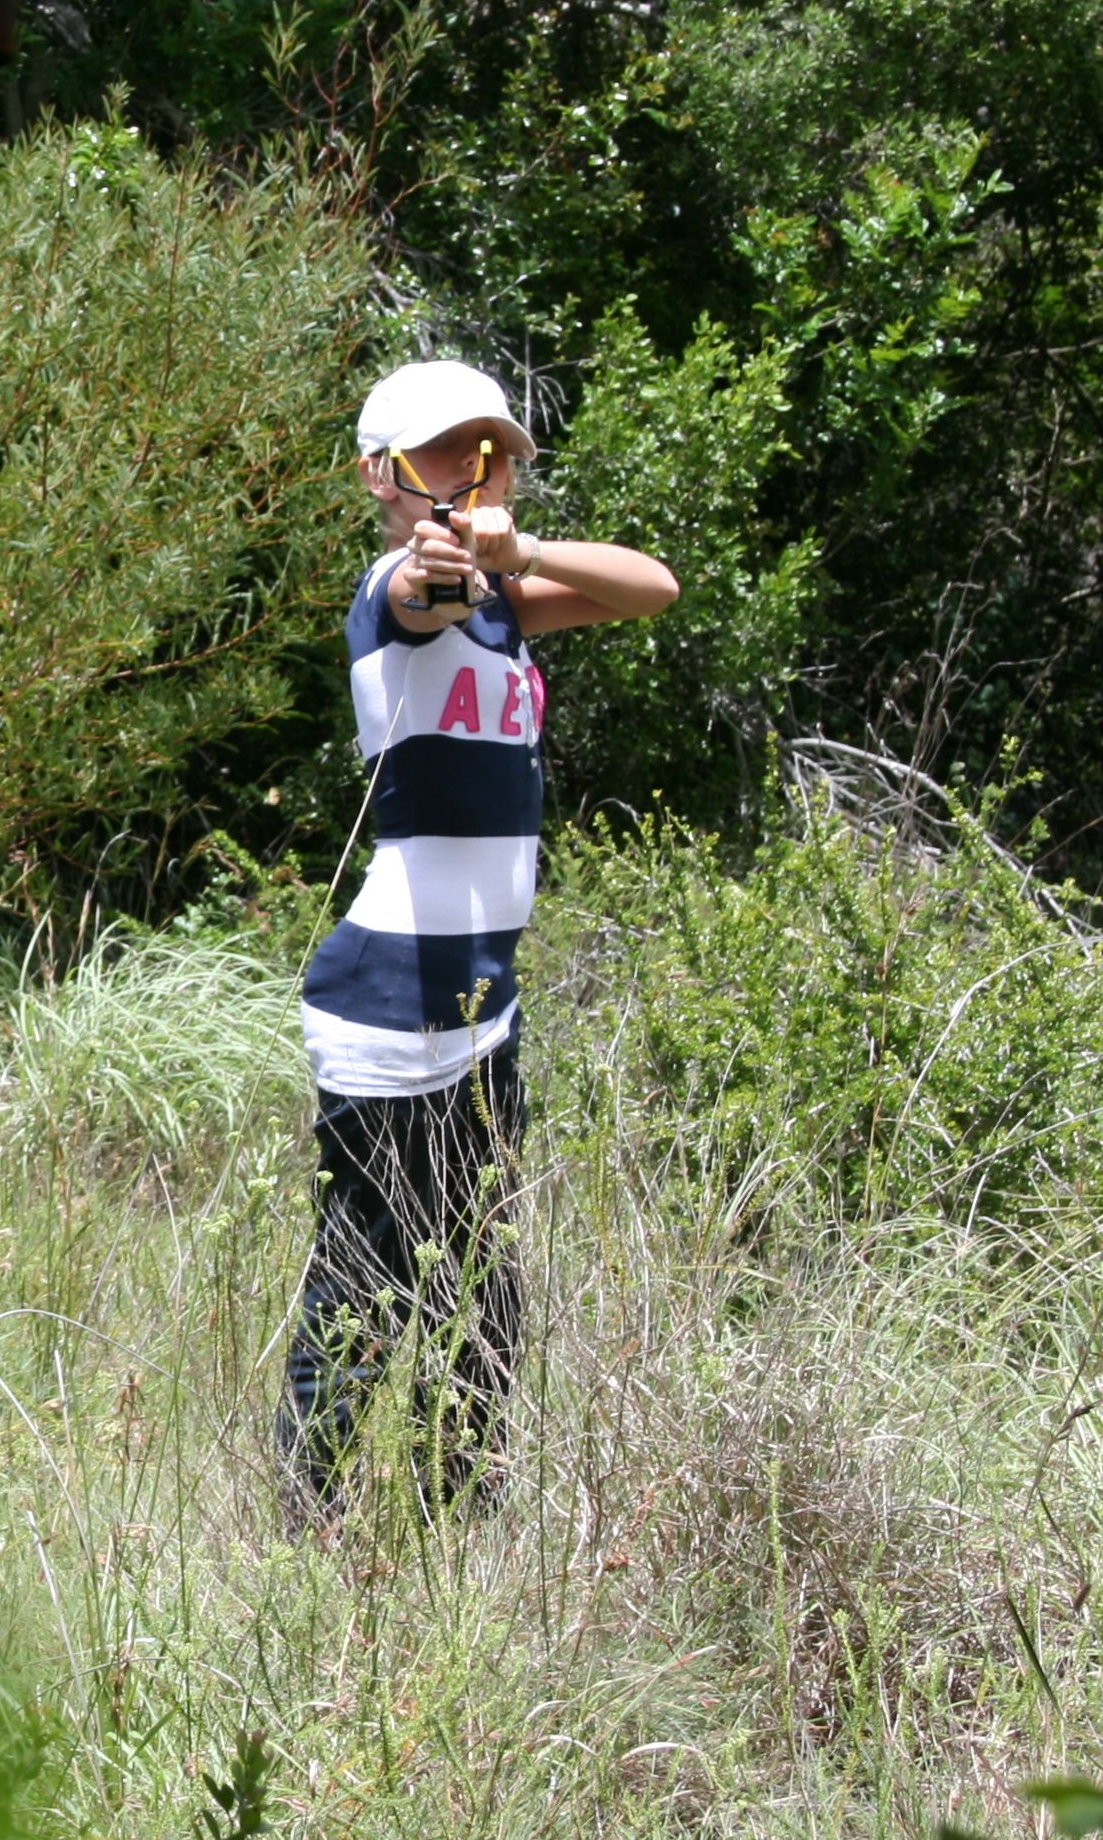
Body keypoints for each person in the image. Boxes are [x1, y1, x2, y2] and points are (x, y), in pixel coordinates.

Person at [280, 358, 677, 1521]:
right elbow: (421, 592)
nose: (474, 473)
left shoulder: (506, 595)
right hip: (393, 1003)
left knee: (483, 1296)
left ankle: (457, 1544)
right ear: (380, 475)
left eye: (491, 453)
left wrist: (522, 555)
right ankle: (310, 1539)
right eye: (448, 453)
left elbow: (652, 586)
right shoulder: (400, 585)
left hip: (480, 1008)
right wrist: (455, 559)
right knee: (367, 1290)